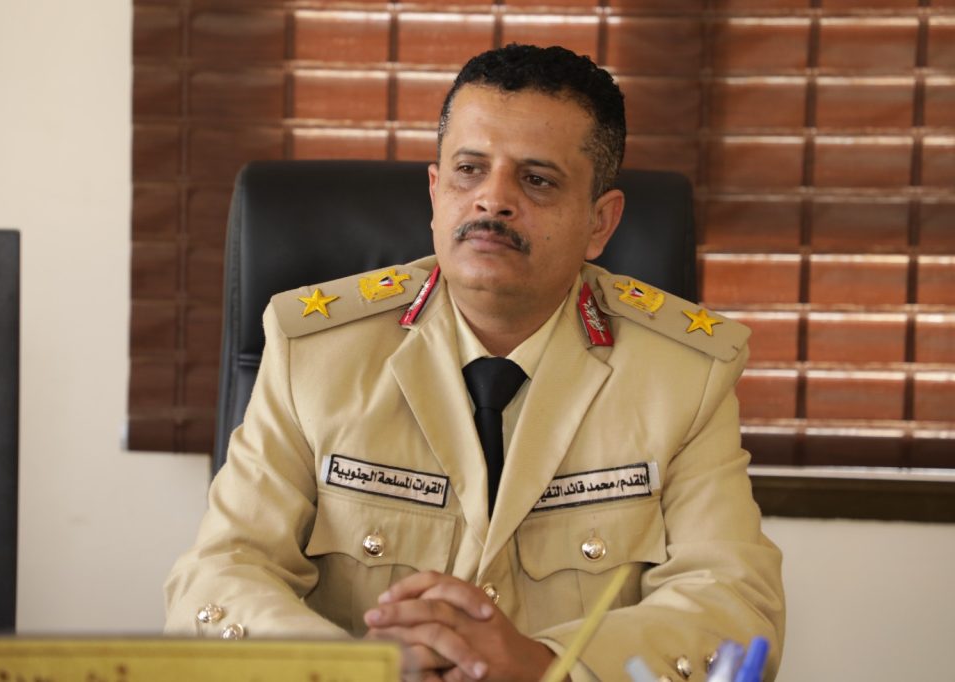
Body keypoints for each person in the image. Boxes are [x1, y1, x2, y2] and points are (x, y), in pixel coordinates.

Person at [165, 44, 785, 681]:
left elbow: (734, 603)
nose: (493, 200)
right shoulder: (314, 352)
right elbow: (219, 575)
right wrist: (353, 668)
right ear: (436, 193)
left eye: (537, 179)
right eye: (469, 170)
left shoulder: (683, 375)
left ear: (600, 222)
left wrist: (546, 664)